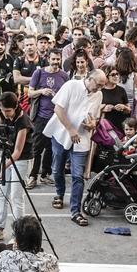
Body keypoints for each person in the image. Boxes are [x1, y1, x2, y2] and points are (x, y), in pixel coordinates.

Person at [44, 68, 106, 227]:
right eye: (98, 85)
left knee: (78, 176)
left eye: (101, 86)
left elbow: (95, 117)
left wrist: (93, 124)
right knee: (57, 169)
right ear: (90, 78)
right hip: (61, 134)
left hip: (82, 139)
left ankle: (76, 211)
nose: (99, 89)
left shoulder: (98, 94)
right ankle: (59, 193)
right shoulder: (71, 85)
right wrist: (71, 129)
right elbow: (58, 109)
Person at [0, 91, 31, 244]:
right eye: (3, 110)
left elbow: (18, 152)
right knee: (1, 193)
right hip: (5, 155)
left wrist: (2, 168)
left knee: (16, 196)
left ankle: (19, 233)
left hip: (20, 159)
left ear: (16, 107)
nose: (5, 114)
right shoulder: (2, 112)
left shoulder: (23, 122)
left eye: (8, 111)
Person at [26, 48, 67, 189]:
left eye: (58, 59)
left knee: (51, 148)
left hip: (56, 118)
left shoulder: (64, 75)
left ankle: (45, 174)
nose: (56, 62)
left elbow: (66, 96)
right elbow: (30, 93)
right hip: (41, 116)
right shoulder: (39, 73)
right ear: (48, 58)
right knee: (37, 148)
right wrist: (41, 91)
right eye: (53, 59)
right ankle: (33, 175)